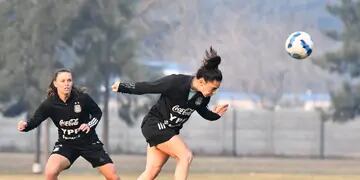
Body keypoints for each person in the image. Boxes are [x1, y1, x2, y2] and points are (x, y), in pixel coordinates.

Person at [111, 47, 229, 180]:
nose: (214, 92)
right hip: (154, 124)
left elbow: (203, 112)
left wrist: (215, 115)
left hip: (169, 131)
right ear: (202, 82)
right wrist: (123, 87)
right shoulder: (175, 82)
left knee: (151, 172)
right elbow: (149, 87)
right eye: (213, 88)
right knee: (185, 155)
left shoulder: (203, 96)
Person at [17, 69, 120, 180]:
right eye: (63, 81)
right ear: (55, 83)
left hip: (89, 143)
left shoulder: (82, 98)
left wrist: (89, 125)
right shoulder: (49, 104)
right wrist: (25, 126)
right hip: (66, 144)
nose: (66, 83)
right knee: (50, 172)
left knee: (113, 176)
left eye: (69, 80)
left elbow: (97, 113)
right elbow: (35, 120)